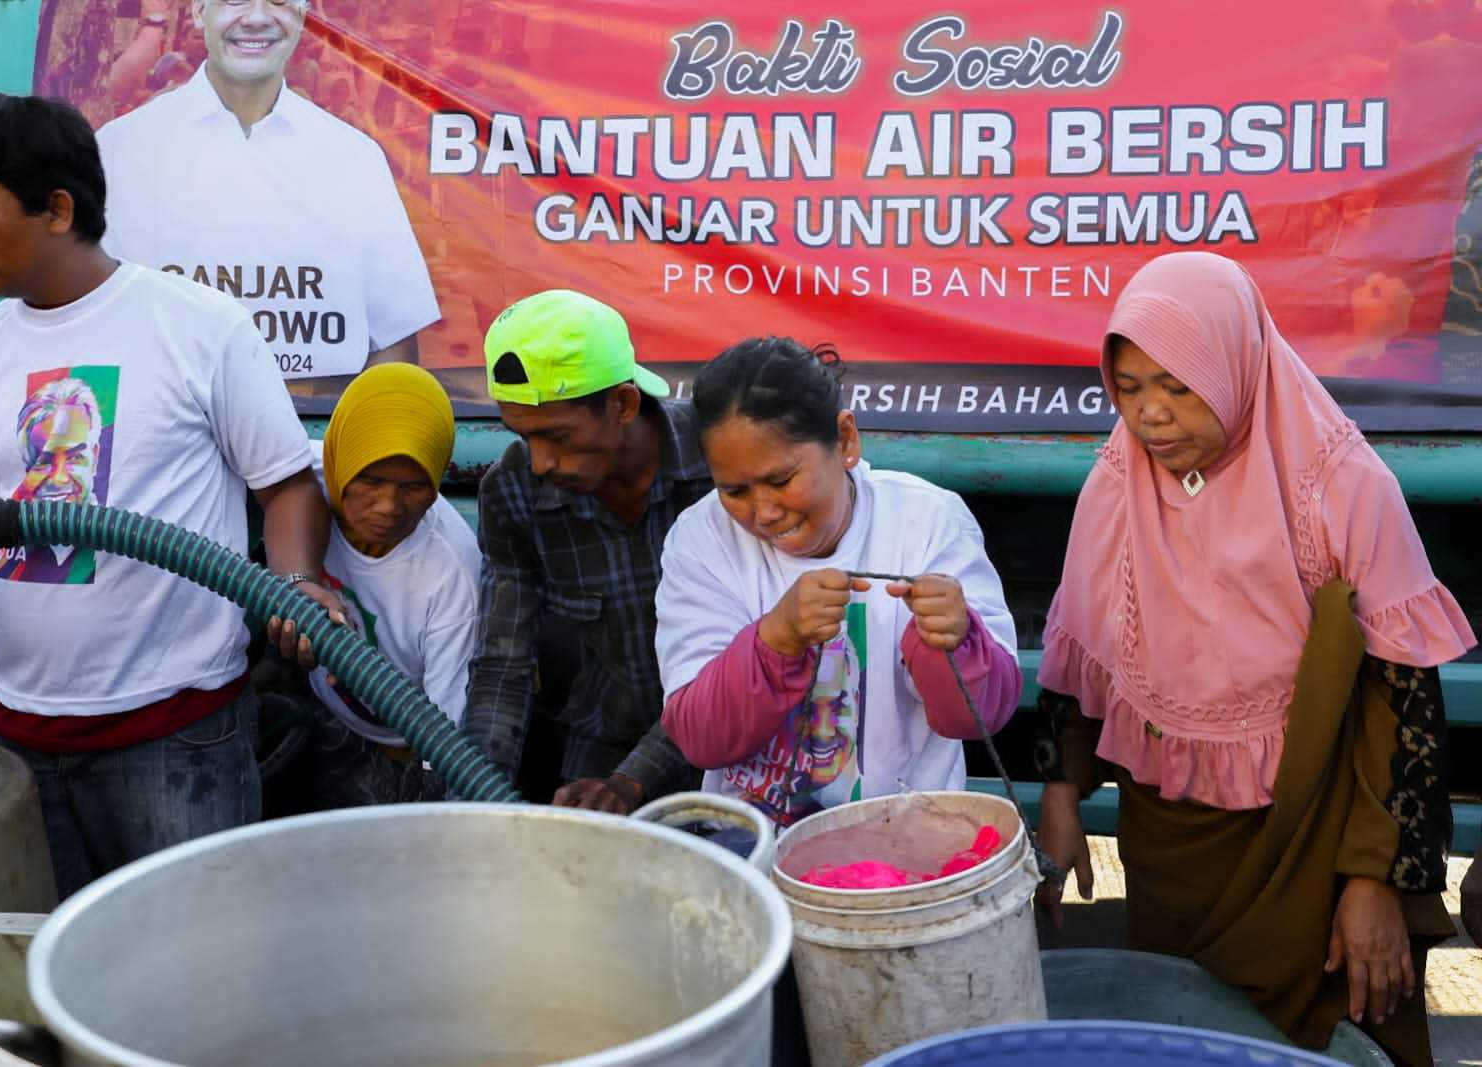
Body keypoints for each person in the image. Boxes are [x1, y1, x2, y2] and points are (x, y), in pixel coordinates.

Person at [1034, 252, 1475, 1067]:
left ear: (1235, 361)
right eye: (1128, 389)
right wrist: (1061, 791)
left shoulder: (1338, 487)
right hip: (1171, 844)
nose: (1152, 416)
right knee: (1185, 1039)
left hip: (1320, 846)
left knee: (1349, 1033)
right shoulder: (1116, 485)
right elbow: (1080, 656)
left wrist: (1373, 882)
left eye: (1178, 384)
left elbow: (1407, 703)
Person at [0, 94, 342, 898]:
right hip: (13, 741)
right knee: (33, 977)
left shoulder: (198, 325)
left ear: (57, 209)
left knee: (195, 982)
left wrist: (294, 580)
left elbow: (285, 481)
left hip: (176, 741)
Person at [654, 338, 1021, 827]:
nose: (763, 512)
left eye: (782, 480)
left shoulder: (926, 520)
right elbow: (702, 738)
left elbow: (979, 718)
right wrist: (775, 641)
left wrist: (954, 641)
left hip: (907, 845)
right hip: (752, 851)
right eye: (734, 490)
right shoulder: (702, 540)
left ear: (845, 440)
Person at [95, 0, 440, 392]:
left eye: (278, 0)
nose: (257, 18)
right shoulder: (122, 149)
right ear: (197, 11)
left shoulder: (352, 158)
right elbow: (86, 325)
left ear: (304, 13)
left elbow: (393, 344)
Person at [461, 289, 706, 813]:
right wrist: (476, 799)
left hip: (731, 750)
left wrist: (633, 780)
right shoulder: (511, 491)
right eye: (525, 438)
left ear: (623, 404)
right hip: (597, 758)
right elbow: (502, 665)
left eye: (558, 437)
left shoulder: (720, 463)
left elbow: (745, 659)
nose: (541, 462)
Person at [299, 362, 480, 806]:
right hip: (315, 713)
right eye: (371, 480)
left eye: (414, 487)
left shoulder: (452, 571)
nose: (388, 506)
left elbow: (447, 733)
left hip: (402, 751)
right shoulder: (303, 480)